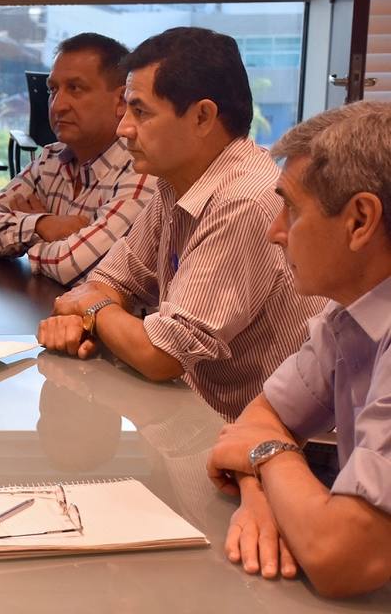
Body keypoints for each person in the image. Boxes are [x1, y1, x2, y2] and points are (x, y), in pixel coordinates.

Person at [37, 27, 324, 421]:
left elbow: (161, 355)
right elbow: (111, 279)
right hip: (196, 417)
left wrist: (92, 310)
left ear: (203, 116)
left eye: (141, 111)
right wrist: (92, 308)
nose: (123, 129)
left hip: (269, 441)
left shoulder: (244, 199)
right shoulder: (177, 182)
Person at [206, 101, 391, 598]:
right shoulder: (348, 314)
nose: (275, 232)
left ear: (360, 221)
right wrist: (261, 493)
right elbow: (261, 417)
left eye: (291, 207)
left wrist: (265, 457)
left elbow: (343, 558)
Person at [0, 33, 154, 285]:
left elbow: (70, 266)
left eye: (75, 88)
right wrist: (44, 224)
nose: (57, 105)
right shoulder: (52, 158)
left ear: (121, 100)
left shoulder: (142, 170)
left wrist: (26, 237)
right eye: (53, 90)